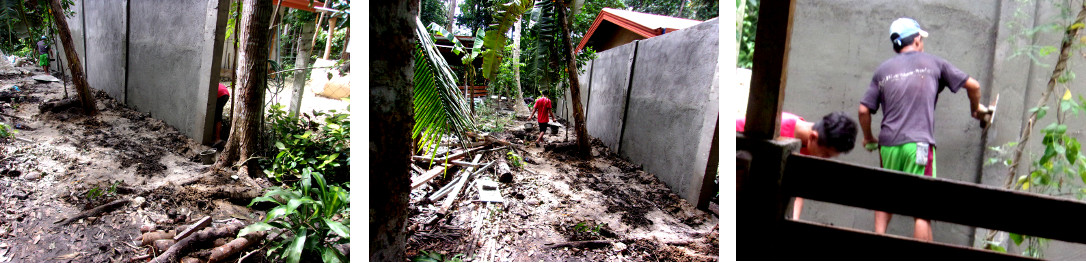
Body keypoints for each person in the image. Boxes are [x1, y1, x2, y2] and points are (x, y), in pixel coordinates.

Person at [859, 18, 984, 242]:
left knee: (884, 198)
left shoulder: (883, 70)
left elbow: (863, 110)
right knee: (922, 209)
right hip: (918, 145)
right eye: (921, 39)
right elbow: (974, 86)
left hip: (887, 146)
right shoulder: (934, 63)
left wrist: (868, 137)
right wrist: (976, 110)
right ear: (917, 40)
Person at [736, 111, 858, 219]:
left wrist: (793, 220)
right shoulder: (778, 126)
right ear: (813, 137)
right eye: (825, 154)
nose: (825, 159)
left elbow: (797, 189)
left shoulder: (812, 150)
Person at [213, 83, 230, 149]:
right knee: (217, 115)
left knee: (217, 117)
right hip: (226, 94)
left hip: (220, 95)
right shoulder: (217, 82)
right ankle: (215, 136)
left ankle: (217, 139)